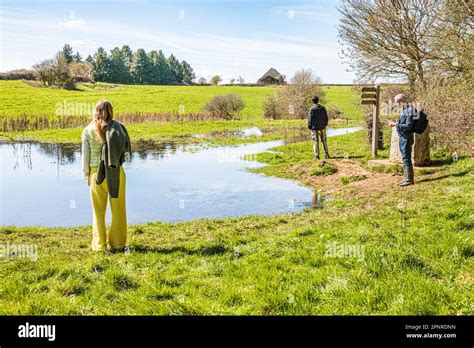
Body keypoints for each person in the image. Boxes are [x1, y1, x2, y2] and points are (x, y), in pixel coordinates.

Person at [82, 99, 131, 252]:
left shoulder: (88, 131)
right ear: (111, 111)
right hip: (116, 172)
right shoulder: (118, 129)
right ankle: (117, 244)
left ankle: (99, 245)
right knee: (118, 209)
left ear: (95, 111)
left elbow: (85, 157)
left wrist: (86, 175)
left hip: (96, 174)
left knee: (98, 211)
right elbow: (126, 153)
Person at [388, 94, 415, 186]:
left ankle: (409, 180)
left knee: (406, 158)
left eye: (396, 103)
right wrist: (396, 122)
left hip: (406, 138)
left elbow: (408, 126)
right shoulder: (405, 110)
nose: (395, 105)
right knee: (404, 158)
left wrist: (395, 125)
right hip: (403, 137)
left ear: (400, 102)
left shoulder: (409, 111)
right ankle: (406, 178)